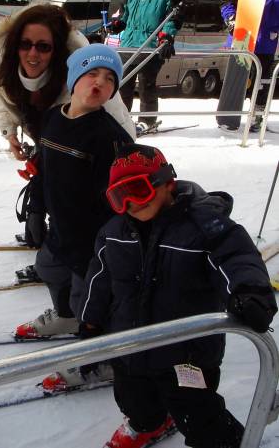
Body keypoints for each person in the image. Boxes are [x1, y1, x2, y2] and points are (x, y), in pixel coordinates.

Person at [76, 144, 277, 448]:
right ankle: (146, 424)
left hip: (187, 355)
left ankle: (222, 442)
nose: (130, 203)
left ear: (166, 182)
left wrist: (251, 292)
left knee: (198, 413)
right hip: (128, 346)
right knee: (133, 398)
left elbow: (237, 257)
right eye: (119, 197)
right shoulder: (113, 232)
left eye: (137, 190)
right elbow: (99, 279)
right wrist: (90, 322)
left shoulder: (204, 226)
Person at [13, 44, 134, 350]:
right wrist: (36, 211)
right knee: (48, 268)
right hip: (61, 229)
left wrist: (106, 244)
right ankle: (67, 315)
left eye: (109, 79)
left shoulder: (110, 137)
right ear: (74, 78)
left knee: (90, 299)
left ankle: (101, 350)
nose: (99, 83)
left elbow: (116, 200)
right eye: (92, 73)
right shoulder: (53, 119)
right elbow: (43, 169)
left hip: (93, 241)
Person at [0, 2, 135, 162]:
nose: (33, 54)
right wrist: (9, 131)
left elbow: (116, 119)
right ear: (14, 44)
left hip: (86, 151)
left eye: (43, 47)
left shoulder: (82, 72)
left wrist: (127, 161)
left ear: (57, 49)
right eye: (25, 44)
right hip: (47, 140)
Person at [109, 0, 181, 128]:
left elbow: (171, 19)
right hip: (128, 45)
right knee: (123, 85)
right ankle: (121, 118)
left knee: (146, 84)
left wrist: (166, 37)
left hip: (150, 47)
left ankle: (147, 120)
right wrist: (118, 23)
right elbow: (125, 14)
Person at [221, 0, 279, 132]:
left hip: (266, 41)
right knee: (236, 80)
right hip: (242, 38)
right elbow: (226, 3)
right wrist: (231, 19)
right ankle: (228, 116)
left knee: (262, 83)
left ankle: (257, 117)